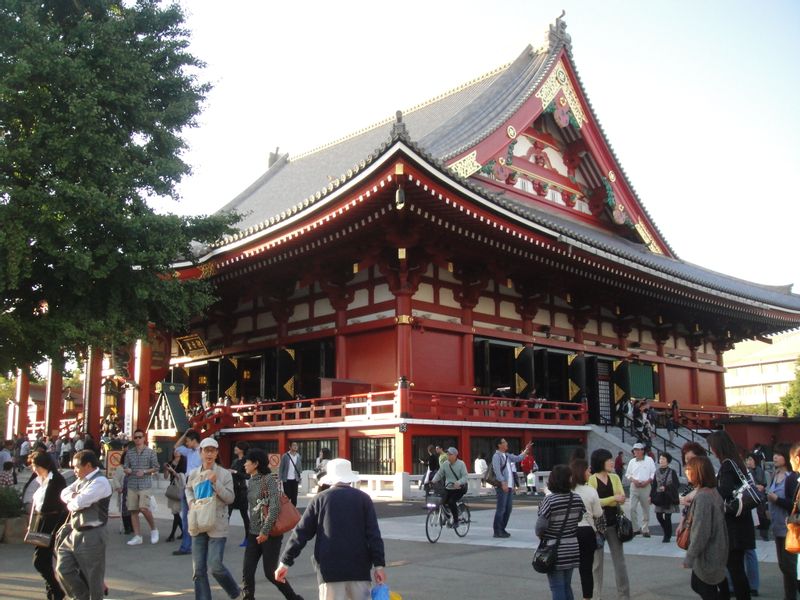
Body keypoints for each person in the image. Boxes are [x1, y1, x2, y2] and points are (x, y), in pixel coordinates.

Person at [275, 458, 386, 600]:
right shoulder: (364, 499)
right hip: (359, 569)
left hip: (329, 570)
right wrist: (379, 566)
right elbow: (374, 535)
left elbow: (301, 533)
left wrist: (285, 562)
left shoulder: (320, 499)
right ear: (350, 478)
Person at [240, 448, 304, 600]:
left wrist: (265, 531)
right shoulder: (251, 480)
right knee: (247, 571)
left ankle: (294, 598)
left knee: (270, 573)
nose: (244, 464)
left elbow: (275, 507)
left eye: (247, 461)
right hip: (253, 533)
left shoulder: (268, 479)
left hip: (270, 534)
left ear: (255, 464)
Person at [185, 437, 241, 600]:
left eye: (212, 450)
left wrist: (216, 483)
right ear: (200, 452)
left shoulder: (224, 474)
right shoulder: (194, 473)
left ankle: (235, 592)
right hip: (197, 522)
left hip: (217, 522)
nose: (209, 454)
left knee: (215, 565)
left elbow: (230, 498)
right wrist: (190, 502)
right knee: (199, 570)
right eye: (206, 450)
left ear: (217, 453)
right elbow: (188, 490)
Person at [55, 449, 113, 600]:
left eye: (76, 467)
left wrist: (74, 499)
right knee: (63, 568)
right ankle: (81, 596)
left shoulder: (100, 481)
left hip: (92, 533)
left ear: (88, 465)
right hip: (74, 531)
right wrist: (74, 497)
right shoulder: (82, 480)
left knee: (93, 576)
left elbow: (78, 504)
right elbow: (64, 493)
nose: (74, 470)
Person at [706, 430, 755, 600]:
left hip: (734, 525)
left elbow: (725, 490)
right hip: (742, 519)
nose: (711, 449)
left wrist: (709, 492)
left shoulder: (727, 464)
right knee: (737, 568)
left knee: (734, 568)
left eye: (712, 446)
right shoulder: (737, 462)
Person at [536, 464, 585, 600]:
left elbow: (540, 527)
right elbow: (580, 517)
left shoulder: (549, 500)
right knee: (566, 585)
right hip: (572, 546)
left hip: (554, 549)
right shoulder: (576, 498)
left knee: (557, 587)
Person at [683, 455, 729, 599]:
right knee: (706, 585)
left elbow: (701, 531)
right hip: (718, 546)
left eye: (689, 469)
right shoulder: (712, 492)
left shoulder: (703, 497)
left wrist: (689, 557)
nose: (686, 472)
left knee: (702, 585)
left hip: (709, 551)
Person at [589, 448, 630, 600]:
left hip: (614, 523)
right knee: (597, 564)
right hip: (597, 526)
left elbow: (623, 497)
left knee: (620, 562)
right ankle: (596, 595)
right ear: (600, 462)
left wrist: (609, 500)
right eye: (608, 460)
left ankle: (624, 595)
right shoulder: (592, 479)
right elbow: (594, 501)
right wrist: (613, 498)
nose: (612, 462)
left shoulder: (615, 477)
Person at [29, 451, 68, 600]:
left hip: (52, 522)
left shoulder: (57, 479)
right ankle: (52, 591)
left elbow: (61, 505)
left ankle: (56, 590)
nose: (34, 469)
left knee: (39, 560)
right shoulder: (41, 479)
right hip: (41, 521)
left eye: (35, 466)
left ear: (44, 465)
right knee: (44, 560)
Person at [766, 442, 797, 600]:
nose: (775, 457)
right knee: (783, 566)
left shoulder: (791, 478)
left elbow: (794, 505)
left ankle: (791, 596)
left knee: (790, 566)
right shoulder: (774, 475)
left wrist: (776, 499)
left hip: (789, 528)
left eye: (778, 454)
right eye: (774, 454)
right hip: (777, 526)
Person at [571, 458, 602, 600]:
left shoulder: (567, 490)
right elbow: (598, 514)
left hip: (569, 531)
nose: (590, 473)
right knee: (586, 568)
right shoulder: (590, 491)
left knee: (566, 567)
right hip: (586, 531)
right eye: (588, 470)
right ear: (582, 472)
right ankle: (586, 597)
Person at [123, 428, 160, 545]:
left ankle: (154, 529)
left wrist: (144, 471)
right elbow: (125, 466)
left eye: (140, 437)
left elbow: (156, 467)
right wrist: (127, 470)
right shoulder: (130, 452)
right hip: (132, 483)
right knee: (133, 510)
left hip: (145, 484)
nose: (138, 439)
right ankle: (137, 536)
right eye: (136, 437)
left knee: (144, 508)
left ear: (144, 438)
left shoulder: (150, 452)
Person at [491, 437, 532, 538]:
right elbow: (497, 471)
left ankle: (502, 529)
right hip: (502, 486)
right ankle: (497, 531)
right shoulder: (496, 456)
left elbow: (518, 458)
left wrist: (526, 451)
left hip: (509, 486)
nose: (506, 443)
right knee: (501, 509)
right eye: (504, 442)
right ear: (499, 445)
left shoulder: (507, 455)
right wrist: (503, 482)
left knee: (508, 509)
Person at [173, 428, 201, 556]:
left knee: (197, 517)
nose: (186, 443)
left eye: (188, 441)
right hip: (188, 483)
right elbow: (176, 447)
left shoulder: (203, 451)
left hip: (197, 484)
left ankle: (195, 544)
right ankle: (186, 546)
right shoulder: (189, 452)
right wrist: (185, 433)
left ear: (194, 440)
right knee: (186, 517)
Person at [431, 447, 468, 525]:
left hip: (459, 488)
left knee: (451, 502)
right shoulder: (445, 464)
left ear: (455, 455)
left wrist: (458, 482)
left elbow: (465, 477)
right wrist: (433, 480)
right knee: (442, 501)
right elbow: (439, 473)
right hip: (448, 487)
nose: (448, 456)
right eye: (447, 454)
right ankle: (447, 517)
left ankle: (456, 521)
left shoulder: (461, 464)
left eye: (450, 454)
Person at [625, 442, 656, 537]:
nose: (636, 452)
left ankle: (645, 529)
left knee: (645, 508)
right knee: (632, 508)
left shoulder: (649, 460)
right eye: (635, 450)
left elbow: (653, 472)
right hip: (634, 486)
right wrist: (633, 480)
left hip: (646, 486)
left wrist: (648, 481)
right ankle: (635, 528)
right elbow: (627, 474)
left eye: (638, 450)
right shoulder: (632, 461)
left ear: (642, 451)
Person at [651, 452, 680, 543]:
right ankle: (667, 531)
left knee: (668, 517)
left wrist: (666, 487)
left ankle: (667, 536)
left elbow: (676, 484)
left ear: (668, 461)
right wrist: (651, 496)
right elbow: (654, 485)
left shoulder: (672, 472)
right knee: (658, 516)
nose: (661, 460)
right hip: (659, 497)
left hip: (668, 497)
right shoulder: (657, 472)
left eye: (663, 459)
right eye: (660, 459)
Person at [228, 440, 250, 547]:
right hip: (232, 490)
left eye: (237, 447)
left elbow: (248, 476)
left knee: (244, 515)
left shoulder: (246, 461)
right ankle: (220, 537)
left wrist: (236, 472)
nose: (235, 448)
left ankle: (248, 538)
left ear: (241, 449)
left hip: (241, 491)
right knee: (227, 514)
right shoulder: (235, 460)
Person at [163, 450, 186, 542]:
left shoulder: (184, 462)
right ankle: (184, 532)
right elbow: (166, 477)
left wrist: (172, 471)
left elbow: (182, 478)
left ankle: (172, 534)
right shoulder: (170, 463)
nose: (176, 452)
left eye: (179, 451)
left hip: (180, 488)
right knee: (175, 513)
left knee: (176, 512)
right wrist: (165, 469)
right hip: (173, 488)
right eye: (175, 451)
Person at [745, 453, 769, 542]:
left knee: (762, 515)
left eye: (750, 459)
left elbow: (764, 484)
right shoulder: (746, 471)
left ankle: (764, 535)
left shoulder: (760, 470)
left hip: (761, 496)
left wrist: (760, 486)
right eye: (747, 460)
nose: (748, 461)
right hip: (751, 496)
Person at [278, 442, 302, 506]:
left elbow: (299, 468)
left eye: (296, 445)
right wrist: (279, 478)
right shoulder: (285, 456)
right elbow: (281, 468)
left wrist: (299, 477)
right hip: (287, 479)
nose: (295, 446)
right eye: (294, 445)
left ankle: (294, 511)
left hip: (295, 479)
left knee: (294, 496)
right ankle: (288, 510)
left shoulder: (298, 456)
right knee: (288, 496)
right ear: (290, 447)